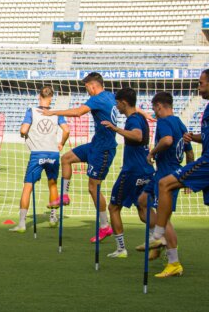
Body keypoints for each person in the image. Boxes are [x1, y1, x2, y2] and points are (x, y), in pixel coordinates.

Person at [149, 68, 209, 288]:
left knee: (164, 184)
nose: (198, 86)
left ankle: (159, 235)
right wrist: (194, 137)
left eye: (201, 83)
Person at [41, 72, 118, 242]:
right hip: (95, 145)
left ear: (93, 85)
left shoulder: (97, 98)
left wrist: (53, 113)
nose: (87, 91)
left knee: (93, 188)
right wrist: (144, 113)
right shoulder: (111, 96)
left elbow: (77, 113)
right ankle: (65, 195)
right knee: (66, 158)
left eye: (87, 87)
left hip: (104, 149)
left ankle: (105, 227)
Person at [137, 92, 194, 277]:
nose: (154, 112)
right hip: (167, 171)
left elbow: (168, 140)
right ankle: (158, 238)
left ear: (160, 106)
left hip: (166, 173)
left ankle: (173, 262)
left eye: (154, 108)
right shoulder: (180, 123)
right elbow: (190, 152)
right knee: (143, 201)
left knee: (164, 217)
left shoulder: (164, 122)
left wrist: (152, 152)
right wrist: (188, 174)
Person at [101, 87, 153, 258]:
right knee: (143, 210)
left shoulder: (133, 120)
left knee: (114, 207)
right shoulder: (140, 118)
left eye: (117, 103)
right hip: (145, 170)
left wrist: (115, 129)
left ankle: (121, 248)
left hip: (132, 171)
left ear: (124, 103)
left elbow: (137, 136)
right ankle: (160, 238)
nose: (116, 106)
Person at [10, 86, 69, 232]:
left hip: (37, 153)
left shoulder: (32, 111)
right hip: (53, 153)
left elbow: (23, 129)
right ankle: (53, 217)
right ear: (51, 97)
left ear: (39, 96)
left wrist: (24, 135)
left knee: (28, 187)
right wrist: (61, 143)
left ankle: (22, 223)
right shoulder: (56, 113)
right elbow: (67, 130)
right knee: (53, 184)